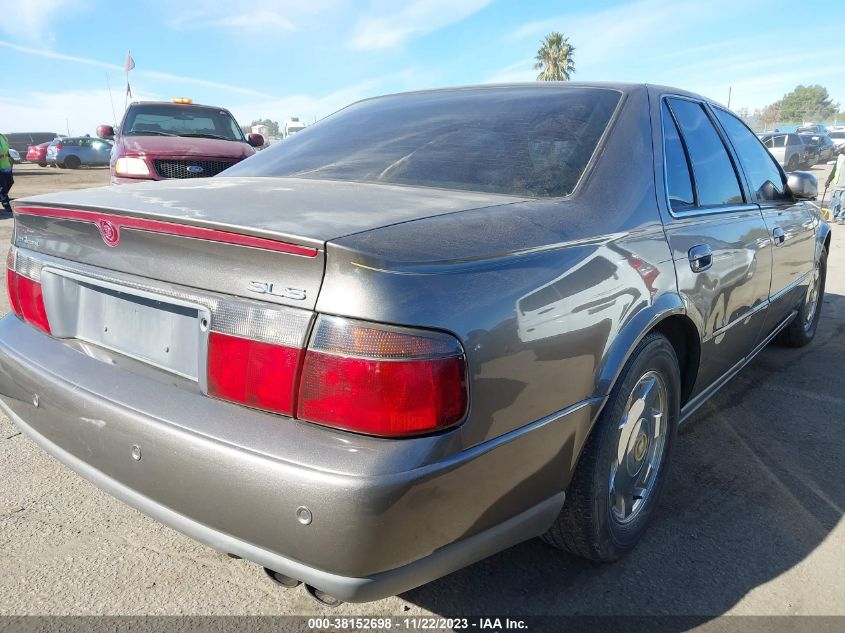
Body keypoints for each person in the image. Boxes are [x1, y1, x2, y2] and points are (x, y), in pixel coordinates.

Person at [826, 152, 845, 224]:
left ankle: (841, 217)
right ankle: (836, 216)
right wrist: (829, 180)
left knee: (844, 202)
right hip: (837, 185)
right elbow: (835, 169)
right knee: (835, 202)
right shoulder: (840, 156)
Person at [0, 132, 13, 213]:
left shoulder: (2, 136)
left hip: (6, 164)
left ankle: (2, 196)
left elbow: (7, 149)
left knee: (10, 182)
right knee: (3, 185)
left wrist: (10, 162)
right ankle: (6, 203)